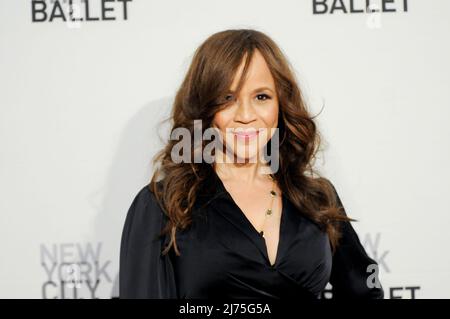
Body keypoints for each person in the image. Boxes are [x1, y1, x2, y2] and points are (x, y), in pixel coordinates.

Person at [119, 29, 384, 299]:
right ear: (205, 108)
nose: (246, 115)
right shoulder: (162, 205)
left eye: (261, 97)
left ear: (281, 105)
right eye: (227, 98)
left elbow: (364, 290)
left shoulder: (316, 198)